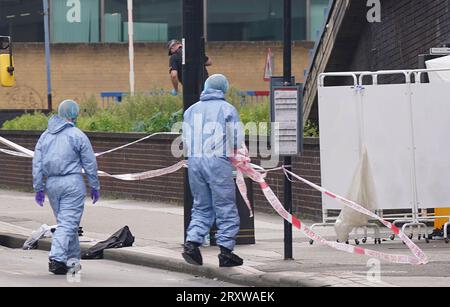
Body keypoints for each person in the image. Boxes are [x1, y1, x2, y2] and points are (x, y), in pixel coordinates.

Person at [182, 74, 244, 267]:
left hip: (194, 161)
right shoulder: (227, 109)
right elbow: (236, 140)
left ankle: (192, 243)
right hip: (217, 161)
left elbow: (185, 138)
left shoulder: (191, 110)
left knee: (201, 206)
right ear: (223, 89)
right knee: (225, 207)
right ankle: (226, 251)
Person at [32, 99, 100, 275]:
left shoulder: (45, 136)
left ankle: (72, 261)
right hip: (72, 182)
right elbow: (90, 163)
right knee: (68, 224)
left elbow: (37, 164)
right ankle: (57, 258)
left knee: (68, 224)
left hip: (52, 184)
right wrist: (94, 185)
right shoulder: (77, 135)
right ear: (74, 114)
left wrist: (38, 187)